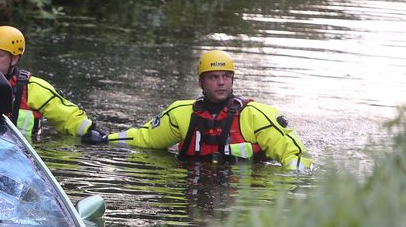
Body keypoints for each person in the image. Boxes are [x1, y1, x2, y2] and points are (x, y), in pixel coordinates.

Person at [86, 49, 313, 170]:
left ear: (233, 80)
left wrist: (296, 184)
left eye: (226, 77)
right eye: (214, 77)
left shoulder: (256, 115)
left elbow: (294, 154)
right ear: (201, 83)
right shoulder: (181, 114)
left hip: (244, 190)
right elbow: (146, 138)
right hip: (195, 187)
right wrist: (107, 139)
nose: (221, 83)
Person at [0, 26, 107, 143]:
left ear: (14, 59)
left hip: (24, 153)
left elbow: (67, 117)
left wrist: (90, 132)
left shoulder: (32, 88)